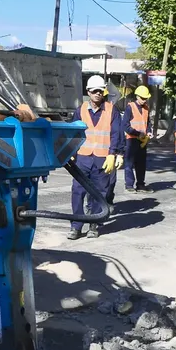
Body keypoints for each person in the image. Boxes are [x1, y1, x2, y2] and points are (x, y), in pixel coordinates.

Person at [68, 74, 124, 239]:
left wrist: (114, 154)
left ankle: (94, 225)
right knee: (77, 192)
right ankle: (76, 226)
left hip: (102, 159)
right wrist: (70, 152)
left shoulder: (111, 110)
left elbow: (116, 134)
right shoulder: (81, 110)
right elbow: (74, 133)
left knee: (98, 193)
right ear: (88, 92)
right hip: (82, 158)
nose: (97, 94)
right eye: (94, 91)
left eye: (100, 90)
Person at [122, 85, 153, 192]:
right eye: (143, 98)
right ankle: (129, 185)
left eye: (146, 98)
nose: (145, 100)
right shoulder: (130, 107)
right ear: (137, 96)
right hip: (131, 139)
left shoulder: (146, 108)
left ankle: (140, 185)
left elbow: (148, 123)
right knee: (129, 163)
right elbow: (125, 125)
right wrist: (136, 133)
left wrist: (149, 131)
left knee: (141, 164)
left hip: (142, 140)